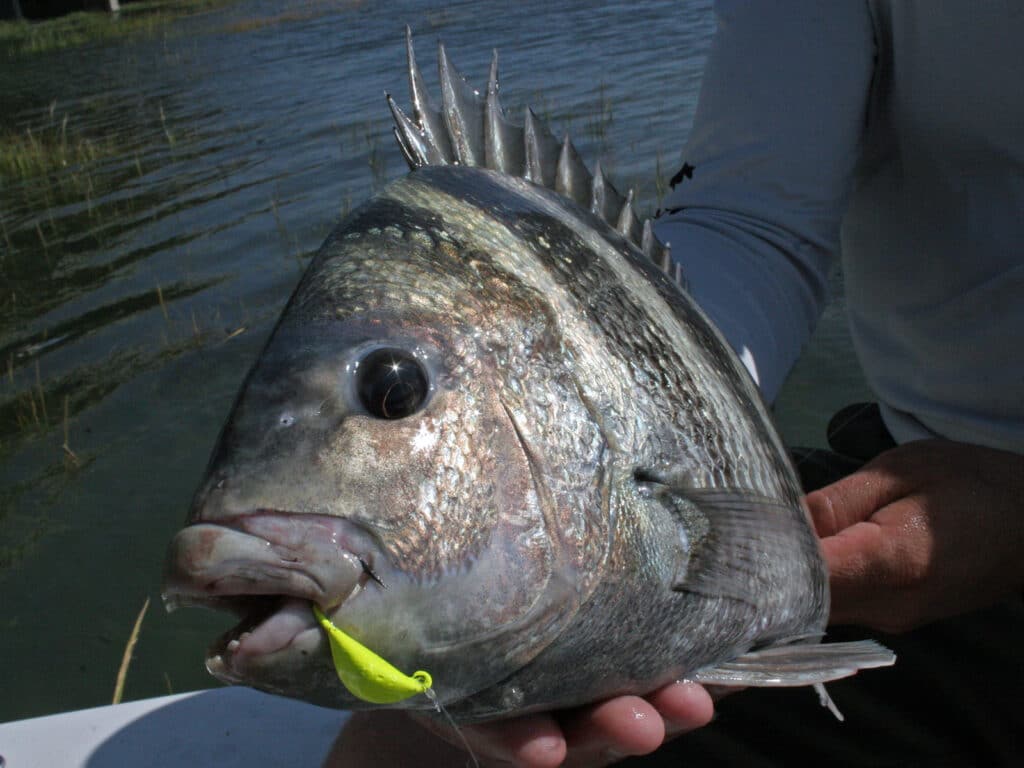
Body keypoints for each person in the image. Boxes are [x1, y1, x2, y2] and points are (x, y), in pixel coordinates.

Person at [327, 2, 1024, 764]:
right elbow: (755, 217)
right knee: (403, 746)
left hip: (979, 517)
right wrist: (609, 438)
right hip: (918, 470)